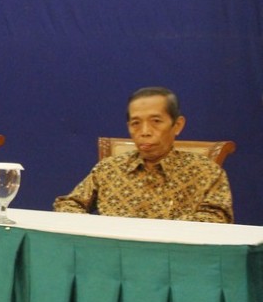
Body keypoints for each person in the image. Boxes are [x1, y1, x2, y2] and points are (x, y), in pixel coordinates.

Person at [53, 87, 233, 223]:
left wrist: (156, 232)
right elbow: (68, 204)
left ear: (177, 125)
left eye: (156, 121)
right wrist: (99, 228)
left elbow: (216, 220)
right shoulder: (109, 168)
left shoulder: (206, 172)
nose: (145, 131)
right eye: (136, 123)